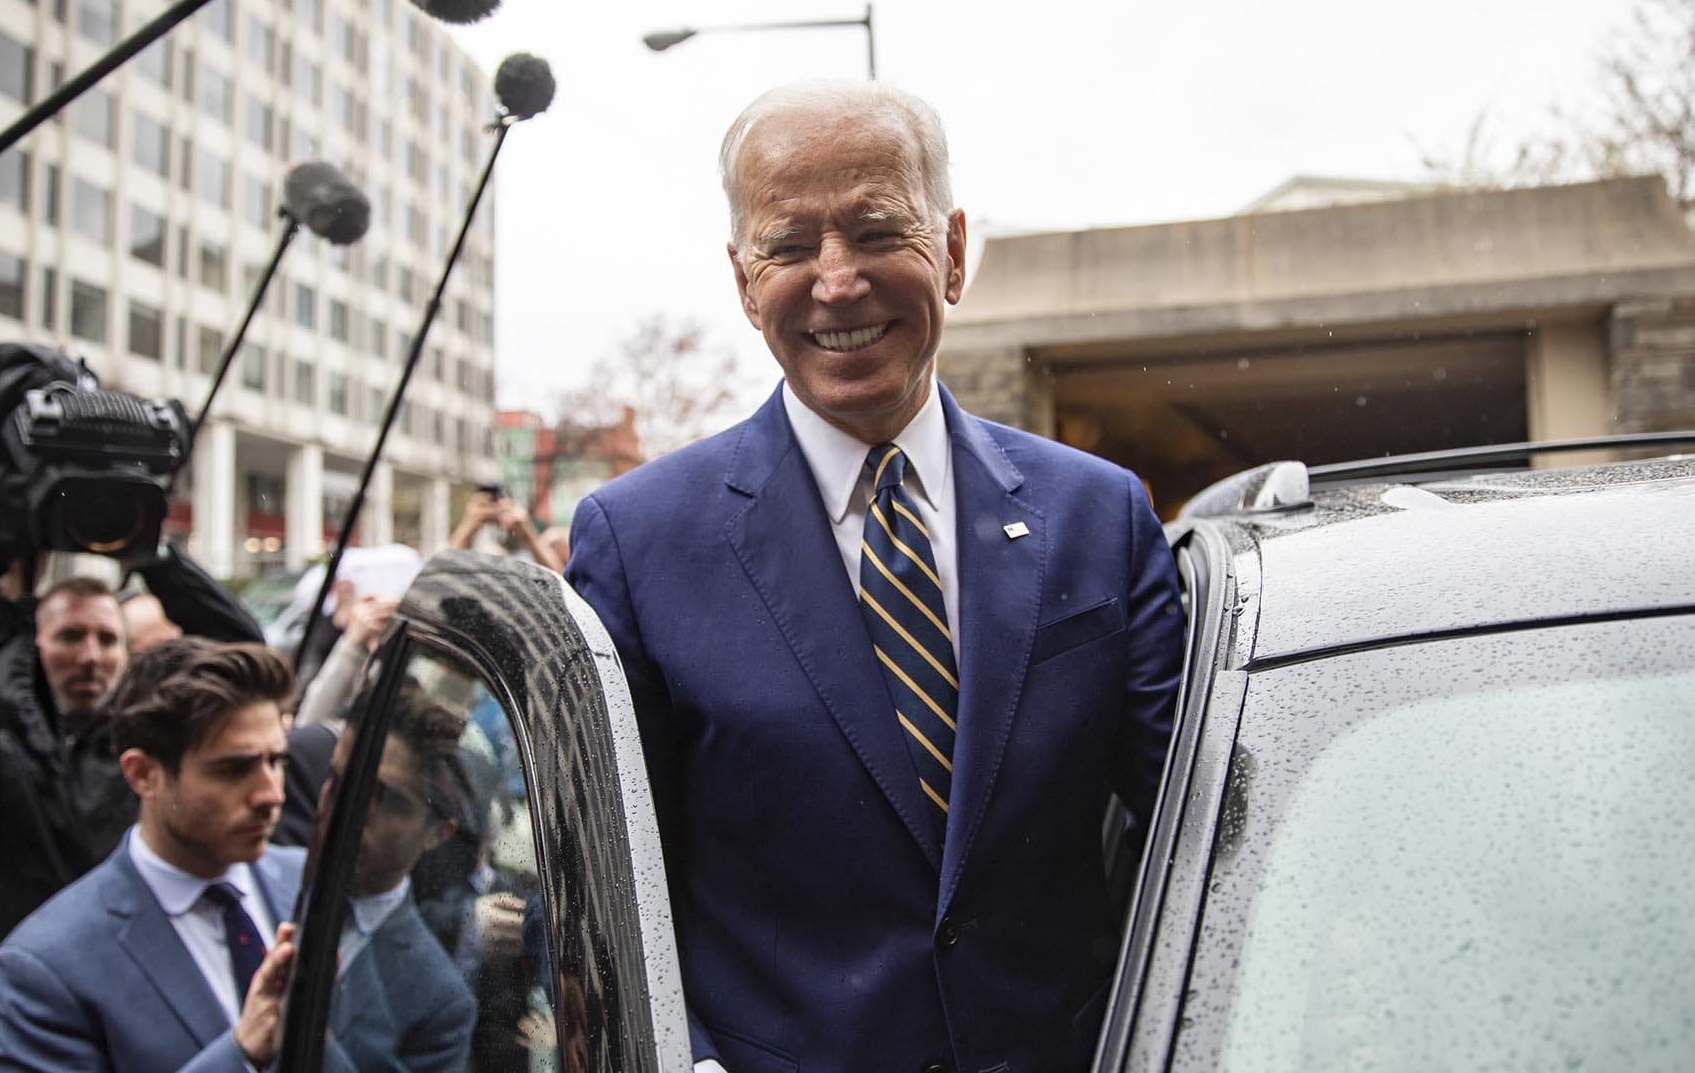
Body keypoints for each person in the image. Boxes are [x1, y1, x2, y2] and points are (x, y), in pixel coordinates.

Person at [564, 80, 1184, 1072]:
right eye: (790, 246)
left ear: (953, 252)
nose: (838, 280)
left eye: (876, 230)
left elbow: (1206, 831)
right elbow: (603, 896)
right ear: (743, 281)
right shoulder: (637, 546)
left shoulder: (1099, 517)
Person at [0, 546, 262, 1070]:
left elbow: (245, 665)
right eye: (70, 637)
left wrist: (151, 553)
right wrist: (9, 597)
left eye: (107, 638)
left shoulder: (147, 756)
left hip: (138, 1027)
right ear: (33, 645)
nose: (90, 656)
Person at [0, 643, 302, 1072]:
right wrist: (240, 1055)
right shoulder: (44, 968)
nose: (271, 794)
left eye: (276, 761)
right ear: (142, 774)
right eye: (233, 769)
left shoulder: (313, 883)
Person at [316, 681, 476, 1072]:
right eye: (339, 780)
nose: (350, 811)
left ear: (438, 833)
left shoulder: (439, 1002)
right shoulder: (252, 884)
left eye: (387, 800)